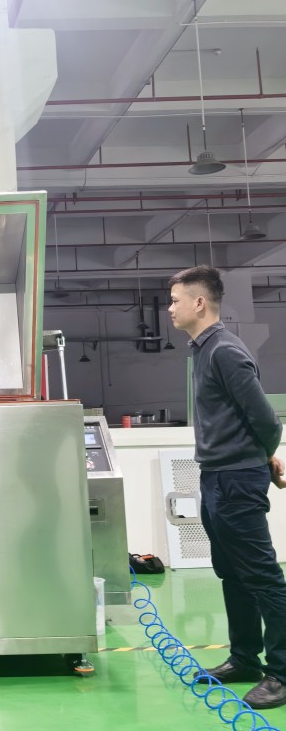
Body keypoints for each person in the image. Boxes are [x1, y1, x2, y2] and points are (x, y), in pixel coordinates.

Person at [169, 266, 286, 710]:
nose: (170, 308)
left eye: (176, 300)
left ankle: (281, 673)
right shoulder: (202, 350)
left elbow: (266, 420)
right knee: (232, 573)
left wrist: (261, 457)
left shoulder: (225, 351)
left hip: (236, 480)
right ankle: (245, 659)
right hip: (217, 476)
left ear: (199, 302)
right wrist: (261, 456)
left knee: (262, 576)